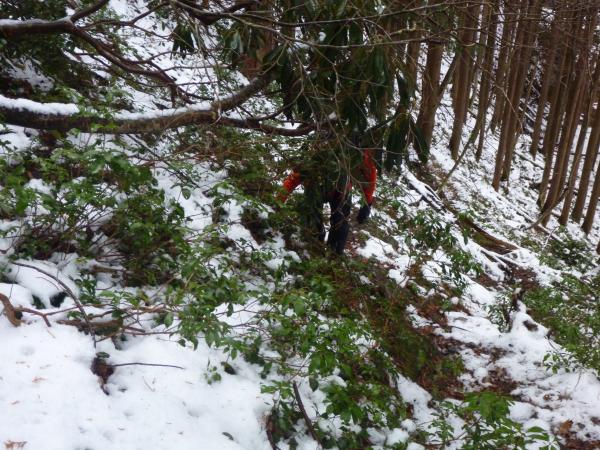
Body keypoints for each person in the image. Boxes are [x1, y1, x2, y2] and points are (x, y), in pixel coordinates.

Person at [279, 148, 377, 254]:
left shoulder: (354, 150)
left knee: (340, 226)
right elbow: (292, 180)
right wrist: (277, 203)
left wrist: (367, 204)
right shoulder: (312, 156)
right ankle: (315, 248)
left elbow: (369, 174)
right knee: (312, 222)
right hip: (315, 188)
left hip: (341, 190)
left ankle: (334, 254)